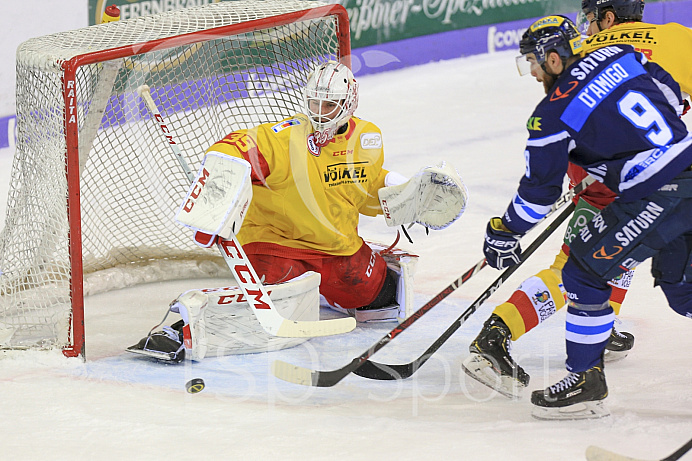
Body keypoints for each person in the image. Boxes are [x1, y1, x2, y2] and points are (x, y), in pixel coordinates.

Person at [129, 61, 467, 361]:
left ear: (348, 105)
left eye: (329, 104)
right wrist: (220, 184)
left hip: (335, 247)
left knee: (375, 296)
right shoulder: (285, 138)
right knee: (276, 300)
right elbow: (234, 146)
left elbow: (361, 191)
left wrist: (405, 196)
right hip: (275, 242)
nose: (320, 111)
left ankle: (323, 291)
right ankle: (174, 329)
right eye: (314, 102)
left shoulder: (367, 138)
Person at [462, 0, 692, 399]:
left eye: (592, 19)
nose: (533, 73)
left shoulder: (573, 80)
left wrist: (506, 229)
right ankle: (582, 336)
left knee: (586, 268)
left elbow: (538, 189)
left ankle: (551, 352)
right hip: (672, 158)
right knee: (651, 275)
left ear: (606, 17)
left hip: (619, 177)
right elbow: (673, 98)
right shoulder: (657, 41)